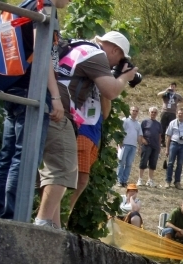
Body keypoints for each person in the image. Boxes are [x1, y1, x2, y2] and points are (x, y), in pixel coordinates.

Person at [36, 31, 139, 229]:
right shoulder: (95, 54)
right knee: (63, 170)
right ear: (114, 49)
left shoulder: (76, 47)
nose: (116, 65)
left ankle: (54, 225)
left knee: (54, 171)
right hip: (60, 113)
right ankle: (44, 222)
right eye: (120, 60)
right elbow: (111, 90)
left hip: (46, 106)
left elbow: (105, 109)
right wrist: (124, 77)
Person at [0, 0, 70, 219]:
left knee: (7, 154)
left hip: (13, 88)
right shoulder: (45, 7)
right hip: (32, 90)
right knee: (25, 155)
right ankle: (14, 217)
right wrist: (56, 97)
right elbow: (43, 53)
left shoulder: (27, 3)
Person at [164, 108, 183, 189]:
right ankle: (168, 181)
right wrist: (167, 148)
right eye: (179, 113)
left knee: (180, 164)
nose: (180, 115)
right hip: (174, 144)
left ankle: (177, 182)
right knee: (170, 163)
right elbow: (168, 136)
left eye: (182, 113)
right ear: (177, 114)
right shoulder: (172, 123)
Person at [117, 106, 142, 187]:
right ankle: (119, 180)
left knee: (129, 164)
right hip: (125, 144)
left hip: (133, 146)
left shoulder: (138, 124)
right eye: (133, 110)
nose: (134, 112)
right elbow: (120, 131)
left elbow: (139, 136)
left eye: (136, 111)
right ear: (130, 111)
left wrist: (140, 146)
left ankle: (124, 180)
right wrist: (120, 142)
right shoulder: (125, 120)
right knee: (122, 163)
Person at [137, 107, 162, 187]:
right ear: (149, 113)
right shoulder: (144, 122)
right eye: (152, 112)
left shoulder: (158, 124)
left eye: (155, 112)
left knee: (153, 163)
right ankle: (140, 179)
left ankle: (150, 180)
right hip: (146, 145)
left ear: (157, 114)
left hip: (155, 146)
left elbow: (159, 136)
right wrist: (142, 140)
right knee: (143, 162)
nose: (153, 113)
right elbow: (140, 133)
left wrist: (159, 146)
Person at [157, 82, 183, 147]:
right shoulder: (165, 94)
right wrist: (166, 90)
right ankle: (162, 141)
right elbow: (158, 95)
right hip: (165, 111)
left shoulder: (177, 95)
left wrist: (178, 106)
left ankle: (169, 142)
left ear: (175, 87)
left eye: (173, 86)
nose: (172, 87)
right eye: (171, 86)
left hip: (172, 112)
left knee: (171, 127)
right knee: (162, 126)